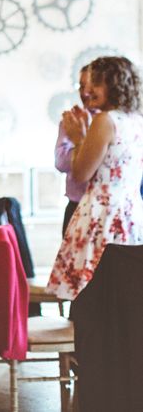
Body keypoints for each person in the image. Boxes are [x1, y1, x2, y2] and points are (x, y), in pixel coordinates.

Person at [47, 56, 143, 301]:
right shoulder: (136, 120)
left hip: (101, 216)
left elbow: (81, 173)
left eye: (95, 83)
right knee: (123, 299)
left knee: (94, 299)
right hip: (131, 215)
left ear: (115, 84)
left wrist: (79, 139)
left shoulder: (105, 120)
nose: (87, 91)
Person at [54, 64, 93, 236]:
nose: (84, 92)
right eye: (81, 86)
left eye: (90, 86)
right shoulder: (70, 120)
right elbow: (61, 162)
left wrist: (79, 145)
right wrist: (85, 146)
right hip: (76, 204)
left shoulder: (117, 122)